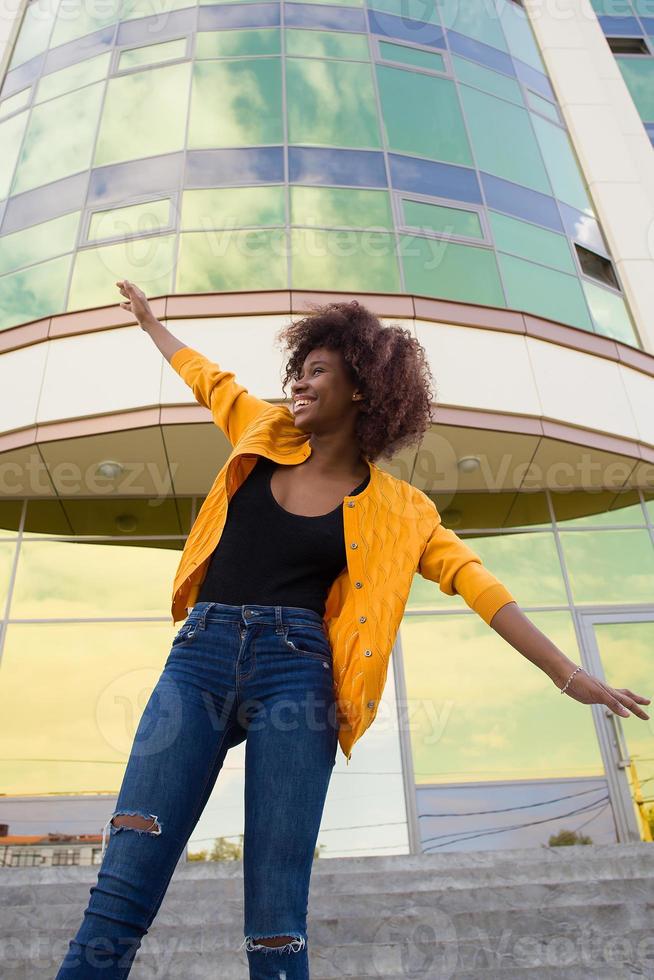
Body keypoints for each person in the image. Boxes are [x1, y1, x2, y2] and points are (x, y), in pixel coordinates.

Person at [55, 280, 651, 979]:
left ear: (363, 390)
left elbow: (480, 586)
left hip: (296, 679)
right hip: (199, 659)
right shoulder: (260, 432)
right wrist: (153, 325)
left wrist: (568, 674)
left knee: (277, 919)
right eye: (297, 371)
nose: (297, 386)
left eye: (317, 373)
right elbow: (207, 379)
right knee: (124, 879)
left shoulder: (404, 511)